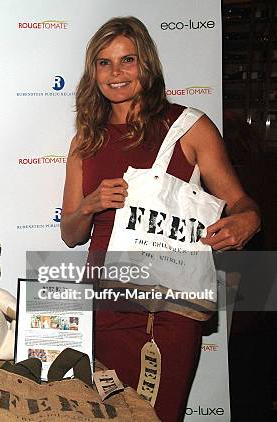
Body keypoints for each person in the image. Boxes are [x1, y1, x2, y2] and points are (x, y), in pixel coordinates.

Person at [60, 16, 260, 422]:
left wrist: (248, 220)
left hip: (169, 304)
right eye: (104, 62)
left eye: (127, 60)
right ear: (93, 72)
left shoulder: (189, 126)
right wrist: (90, 204)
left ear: (146, 64)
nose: (116, 73)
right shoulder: (87, 139)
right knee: (107, 414)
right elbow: (70, 234)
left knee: (160, 413)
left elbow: (240, 203)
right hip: (104, 302)